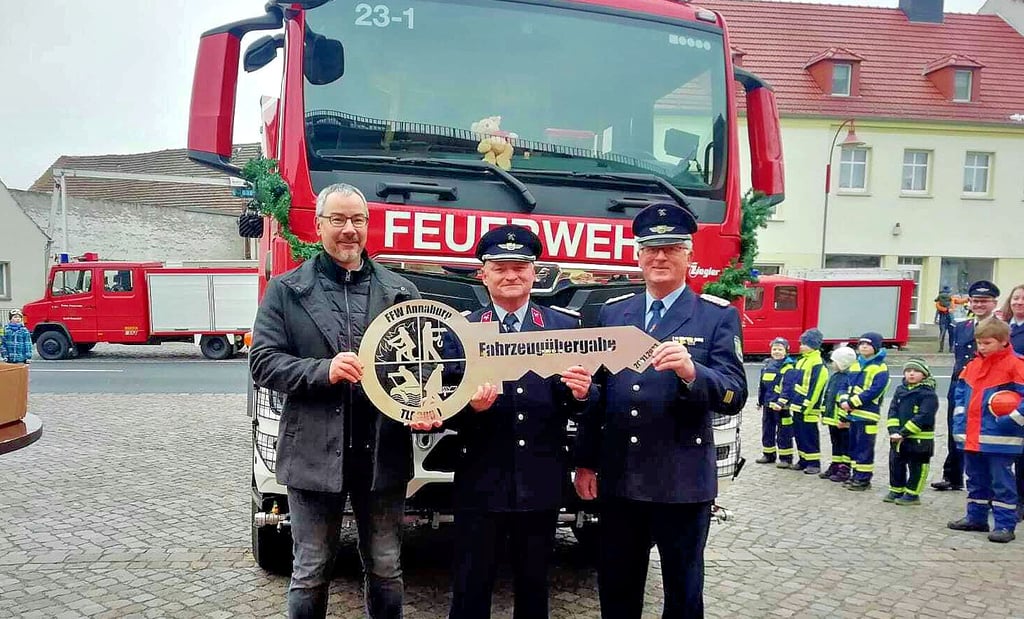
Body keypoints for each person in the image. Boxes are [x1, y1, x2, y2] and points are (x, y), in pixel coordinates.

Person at [250, 183, 429, 619]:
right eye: (338, 220)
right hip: (312, 452)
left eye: (358, 220)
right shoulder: (286, 289)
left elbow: (427, 364)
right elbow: (262, 362)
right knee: (311, 570)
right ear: (318, 225)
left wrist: (427, 405)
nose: (349, 230)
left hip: (382, 452)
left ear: (368, 226)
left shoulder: (402, 291)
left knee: (386, 566)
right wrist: (321, 370)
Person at [573, 201, 747, 619]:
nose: (660, 257)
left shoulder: (714, 317)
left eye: (671, 248)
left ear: (689, 255)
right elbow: (599, 394)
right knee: (617, 587)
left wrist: (693, 373)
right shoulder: (615, 314)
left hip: (681, 482)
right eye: (651, 249)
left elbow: (735, 392)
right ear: (639, 256)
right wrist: (585, 462)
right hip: (622, 479)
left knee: (683, 593)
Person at [446, 225, 594, 619]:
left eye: (520, 267)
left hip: (540, 480)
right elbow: (443, 403)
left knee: (534, 588)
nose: (511, 275)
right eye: (500, 267)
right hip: (480, 479)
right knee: (470, 587)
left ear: (535, 272)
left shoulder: (564, 327)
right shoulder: (462, 330)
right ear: (483, 273)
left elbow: (581, 405)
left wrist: (582, 394)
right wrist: (471, 408)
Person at [947, 318, 1024, 543]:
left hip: (1001, 438)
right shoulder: (973, 365)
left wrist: (1010, 420)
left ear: (1003, 341)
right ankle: (976, 518)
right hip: (972, 437)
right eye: (979, 343)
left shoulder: (1016, 365)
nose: (981, 347)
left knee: (1002, 483)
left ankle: (1004, 525)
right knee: (975, 479)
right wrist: (959, 420)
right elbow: (960, 394)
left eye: (987, 343)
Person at [933, 280, 1001, 492]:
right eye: (975, 301)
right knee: (956, 428)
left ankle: (987, 484)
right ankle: (952, 476)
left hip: (986, 387)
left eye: (984, 301)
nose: (979, 305)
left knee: (983, 433)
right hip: (960, 384)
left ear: (994, 303)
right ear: (969, 302)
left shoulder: (1000, 327)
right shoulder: (962, 326)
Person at [883, 359, 938, 506]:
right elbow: (893, 410)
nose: (911, 374)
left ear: (924, 375)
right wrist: (893, 430)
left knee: (917, 466)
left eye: (916, 371)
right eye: (908, 371)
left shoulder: (928, 394)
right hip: (898, 438)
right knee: (896, 463)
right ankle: (896, 489)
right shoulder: (900, 390)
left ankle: (913, 494)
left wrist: (904, 432)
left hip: (919, 439)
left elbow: (924, 416)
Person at [838, 332, 889, 491]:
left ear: (876, 347)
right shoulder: (855, 365)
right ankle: (855, 474)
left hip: (867, 415)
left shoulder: (880, 368)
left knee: (864, 448)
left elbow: (874, 391)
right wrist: (843, 400)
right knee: (853, 446)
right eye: (861, 344)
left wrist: (852, 402)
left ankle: (863, 479)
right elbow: (845, 385)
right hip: (852, 414)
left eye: (868, 344)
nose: (864, 347)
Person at [776, 329, 828, 475]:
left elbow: (816, 387)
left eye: (804, 344)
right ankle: (803, 459)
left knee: (809, 434)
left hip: (808, 408)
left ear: (813, 345)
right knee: (799, 434)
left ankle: (814, 462)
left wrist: (807, 405)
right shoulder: (802, 361)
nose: (801, 346)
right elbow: (795, 384)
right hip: (797, 405)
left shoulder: (817, 363)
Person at [997, 283, 1024, 522]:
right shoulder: (1004, 327)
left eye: (1023, 299)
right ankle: (1007, 499)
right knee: (1007, 451)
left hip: (1021, 393)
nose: (1019, 303)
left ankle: (1021, 502)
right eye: (1015, 298)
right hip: (1003, 395)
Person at [819, 345, 857, 482]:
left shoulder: (849, 378)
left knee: (845, 444)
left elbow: (846, 399)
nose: (832, 363)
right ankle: (835, 464)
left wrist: (844, 417)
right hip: (831, 417)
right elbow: (827, 395)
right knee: (835, 443)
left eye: (834, 361)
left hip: (842, 419)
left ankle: (845, 468)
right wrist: (824, 413)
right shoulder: (835, 376)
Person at [755, 337, 794, 465]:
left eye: (780, 349)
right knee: (767, 430)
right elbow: (763, 385)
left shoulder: (788, 367)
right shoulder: (767, 365)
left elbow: (788, 388)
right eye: (774, 349)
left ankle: (785, 458)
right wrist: (760, 401)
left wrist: (781, 402)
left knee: (784, 432)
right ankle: (768, 454)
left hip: (782, 408)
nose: (777, 351)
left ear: (786, 351)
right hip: (768, 405)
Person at [935, 285, 954, 353]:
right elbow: (958, 302)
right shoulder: (951, 298)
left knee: (942, 333)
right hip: (949, 317)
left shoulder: (939, 299)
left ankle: (941, 348)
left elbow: (938, 309)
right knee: (951, 333)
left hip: (942, 317)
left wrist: (935, 319)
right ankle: (951, 348)